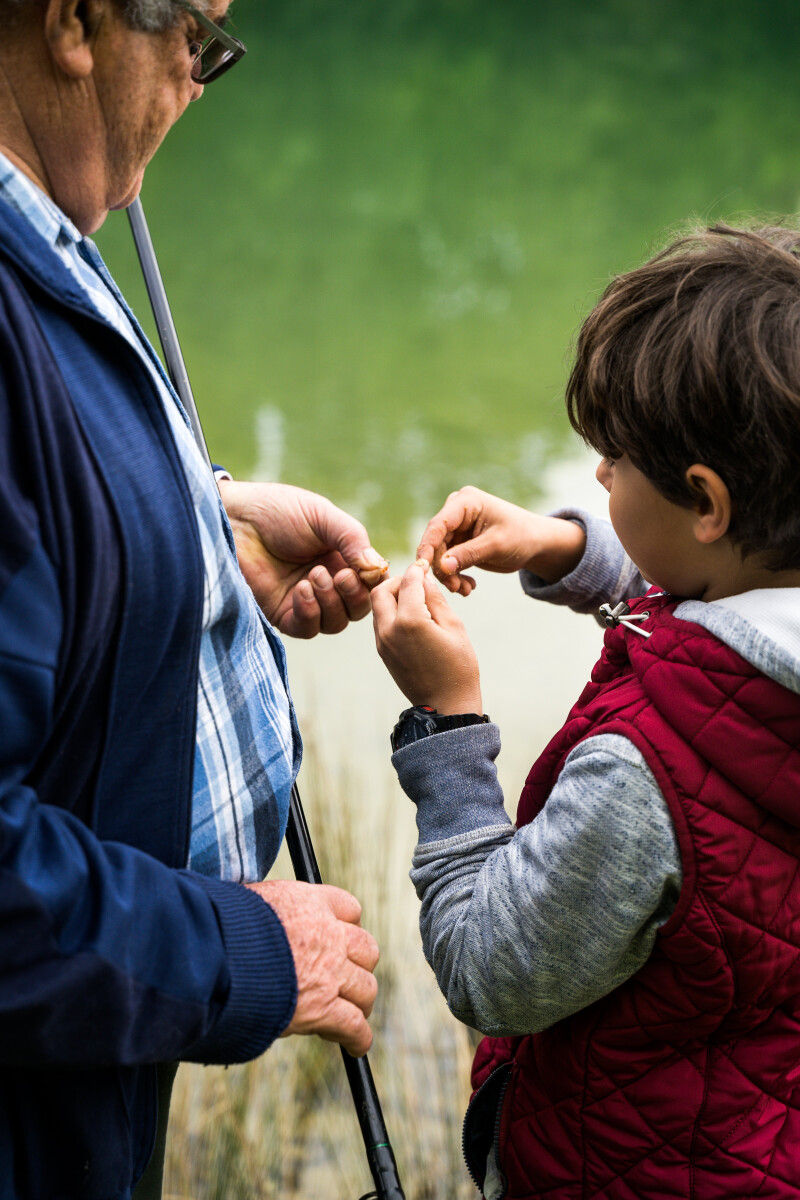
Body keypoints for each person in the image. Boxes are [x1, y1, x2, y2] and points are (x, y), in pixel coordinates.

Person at [0, 1, 387, 1196]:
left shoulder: (40, 226)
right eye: (197, 37)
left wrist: (194, 515)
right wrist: (242, 952)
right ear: (72, 20)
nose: (202, 78)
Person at [371, 223, 800, 1199]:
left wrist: (446, 724)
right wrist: (566, 556)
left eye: (614, 458)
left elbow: (492, 974)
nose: (597, 475)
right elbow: (719, 624)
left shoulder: (639, 784)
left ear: (704, 501)